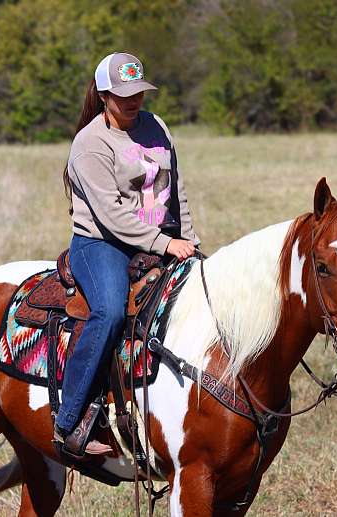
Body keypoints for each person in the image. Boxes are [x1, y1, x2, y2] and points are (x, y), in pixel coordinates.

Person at [54, 52, 200, 456]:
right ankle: (70, 422)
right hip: (102, 243)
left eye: (138, 91)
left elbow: (177, 192)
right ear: (104, 95)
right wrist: (166, 244)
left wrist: (190, 240)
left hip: (161, 237)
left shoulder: (156, 127)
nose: (133, 100)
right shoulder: (89, 145)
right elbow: (112, 215)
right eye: (123, 94)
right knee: (110, 311)